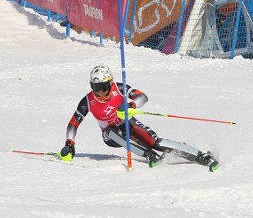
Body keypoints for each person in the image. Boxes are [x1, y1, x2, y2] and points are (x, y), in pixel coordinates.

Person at [59, 65, 219, 171]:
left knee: (155, 142)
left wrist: (131, 105)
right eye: (95, 88)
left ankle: (201, 156)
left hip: (127, 123)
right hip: (111, 137)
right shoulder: (88, 101)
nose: (99, 92)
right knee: (110, 130)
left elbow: (142, 96)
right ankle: (147, 154)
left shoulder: (119, 88)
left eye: (103, 87)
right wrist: (69, 144)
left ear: (110, 83)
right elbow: (73, 124)